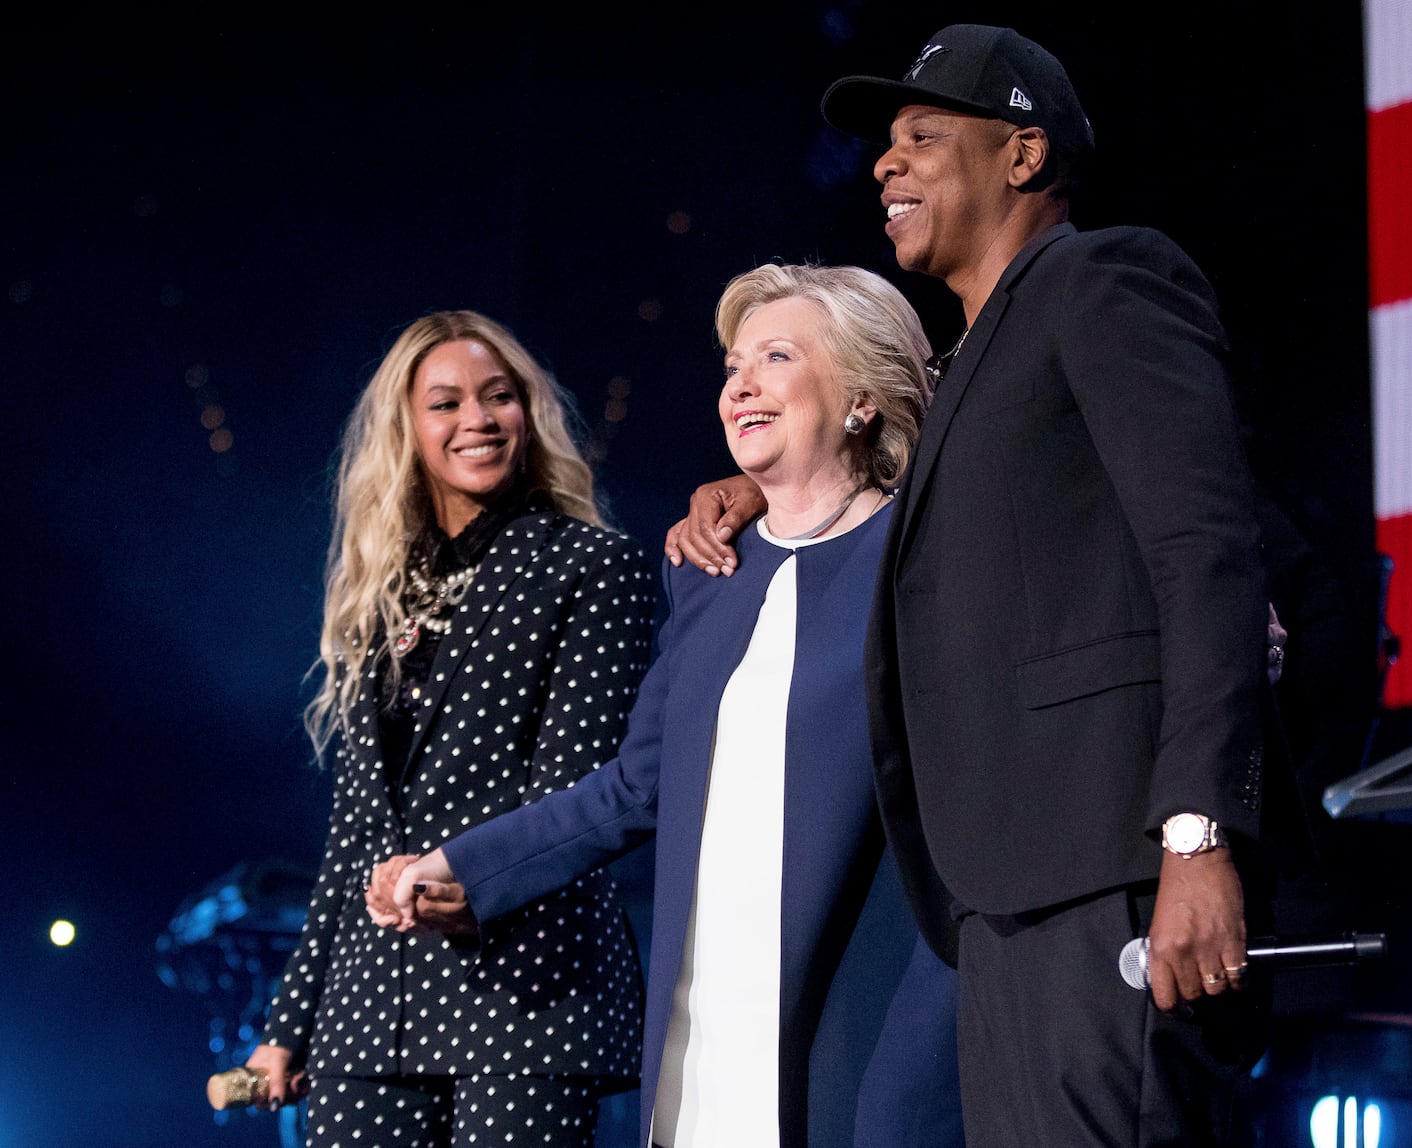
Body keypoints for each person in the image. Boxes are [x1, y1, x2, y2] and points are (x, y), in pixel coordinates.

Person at [666, 24, 1275, 1147]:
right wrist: (760, 489)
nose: (885, 165)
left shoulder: (1102, 278)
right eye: (883, 147)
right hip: (997, 903)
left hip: (1114, 871)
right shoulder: (967, 366)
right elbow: (931, 518)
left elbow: (1206, 555)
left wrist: (1196, 831)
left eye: (921, 137)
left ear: (1023, 157)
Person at [367, 263, 965, 1148]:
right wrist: (466, 864)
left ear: (863, 399)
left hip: (861, 1014)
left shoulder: (928, 554)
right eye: (733, 367)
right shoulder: (706, 569)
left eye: (777, 356)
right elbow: (637, 786)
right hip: (704, 1022)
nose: (743, 384)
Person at [243, 310, 656, 1147]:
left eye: (498, 396)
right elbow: (356, 831)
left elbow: (579, 793)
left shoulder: (591, 567)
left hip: (524, 987)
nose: (477, 418)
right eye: (446, 402)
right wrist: (290, 1021)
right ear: (407, 428)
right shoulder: (381, 592)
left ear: (528, 414)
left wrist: (463, 885)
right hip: (372, 1005)